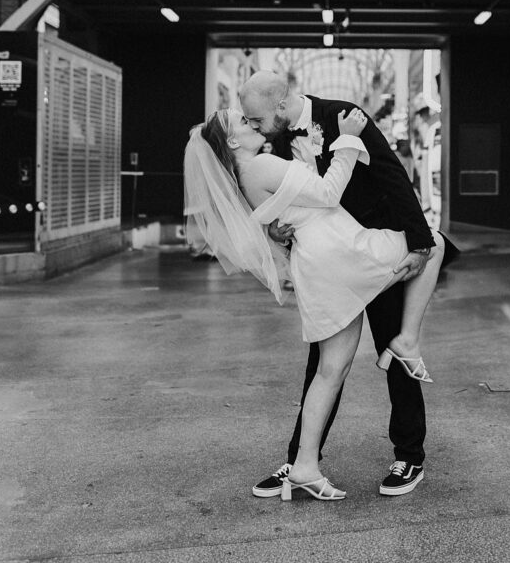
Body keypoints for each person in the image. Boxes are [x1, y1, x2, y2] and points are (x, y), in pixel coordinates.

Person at [184, 105, 449, 502]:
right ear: (234, 141)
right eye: (244, 121)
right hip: (342, 252)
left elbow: (287, 204)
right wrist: (346, 139)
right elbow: (326, 194)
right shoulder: (261, 165)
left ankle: (305, 465)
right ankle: (407, 341)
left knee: (330, 369)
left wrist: (307, 164)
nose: (253, 122)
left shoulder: (248, 173)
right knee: (432, 242)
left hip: (317, 265)